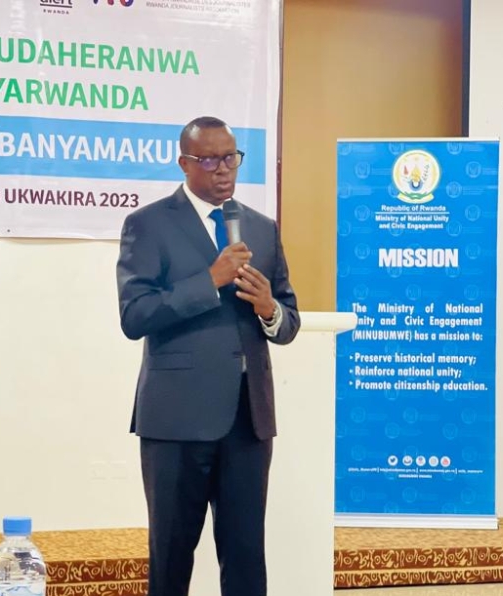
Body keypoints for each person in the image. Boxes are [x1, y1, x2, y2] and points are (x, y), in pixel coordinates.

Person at [115, 116, 300, 596]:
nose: (224, 170)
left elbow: (289, 320)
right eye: (210, 159)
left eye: (231, 158)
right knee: (172, 558)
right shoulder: (148, 224)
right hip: (176, 421)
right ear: (184, 163)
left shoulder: (260, 227)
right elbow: (135, 316)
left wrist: (268, 309)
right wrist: (210, 280)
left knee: (245, 558)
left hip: (249, 420)